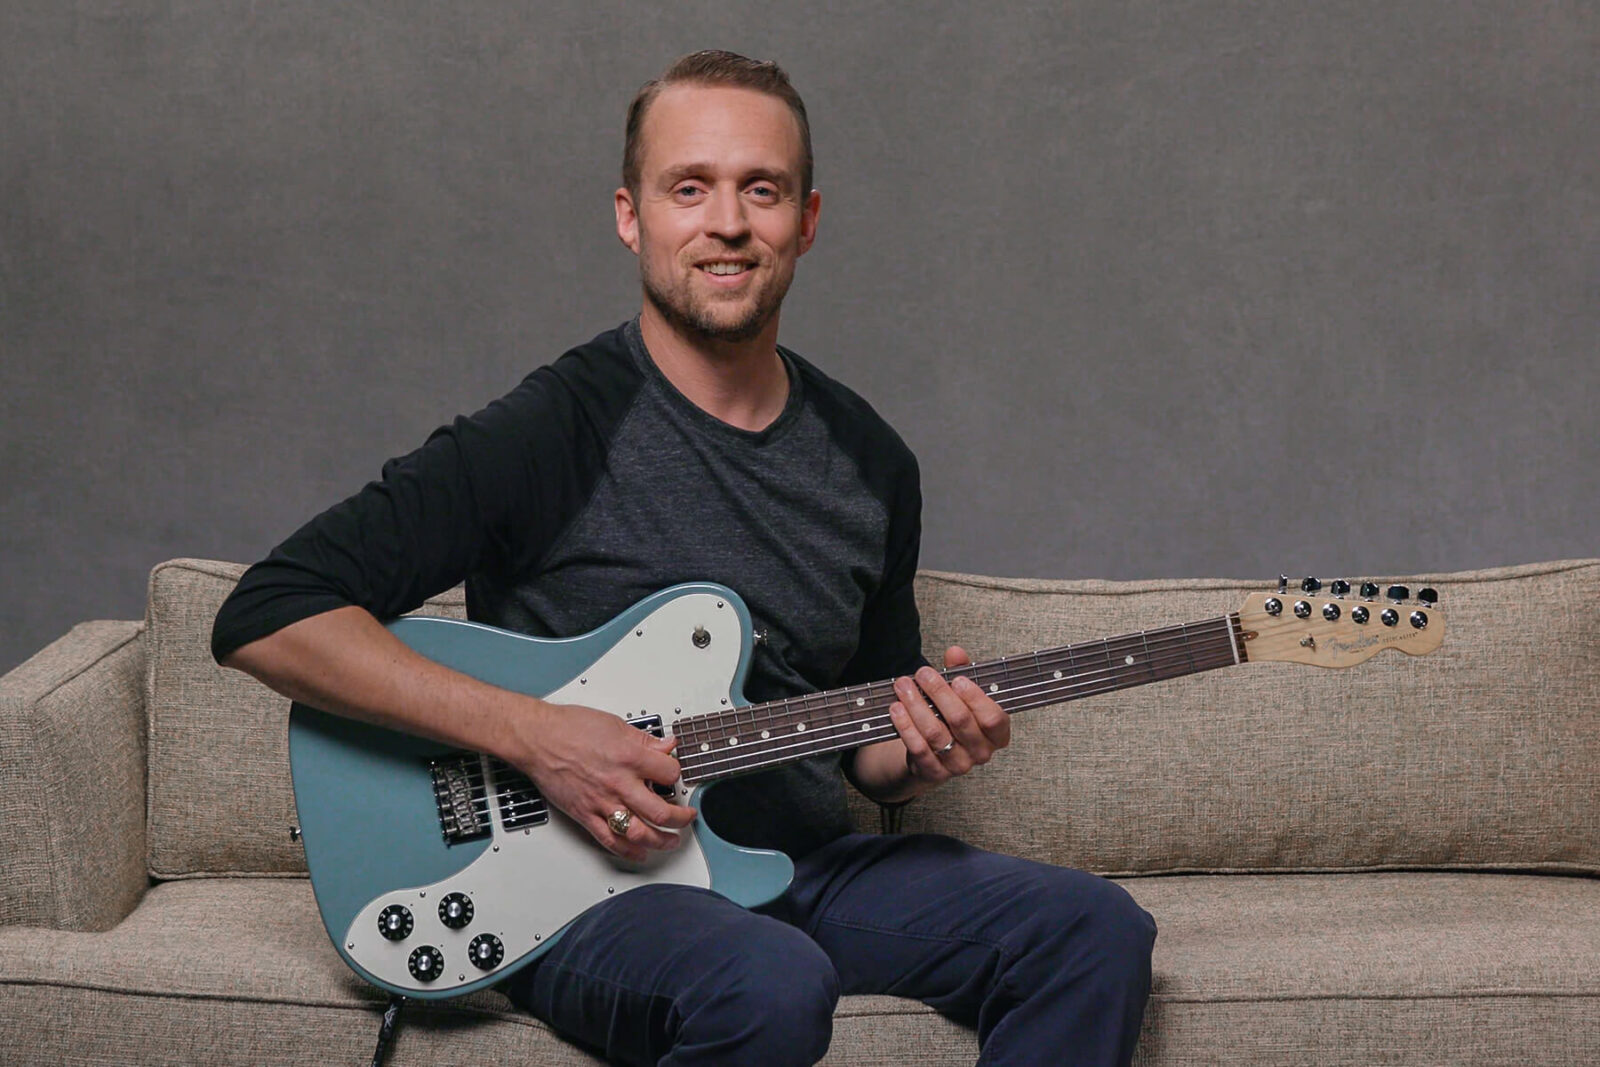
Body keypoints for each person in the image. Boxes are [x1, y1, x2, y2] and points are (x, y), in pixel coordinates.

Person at [213, 50, 1156, 1067]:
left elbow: (866, 740)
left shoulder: (872, 462)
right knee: (766, 979)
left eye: (763, 188)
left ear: (807, 219)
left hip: (794, 870)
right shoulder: (554, 428)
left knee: (1091, 928)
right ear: (632, 216)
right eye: (688, 187)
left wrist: (920, 748)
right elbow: (267, 611)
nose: (728, 221)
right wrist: (540, 737)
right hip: (584, 887)